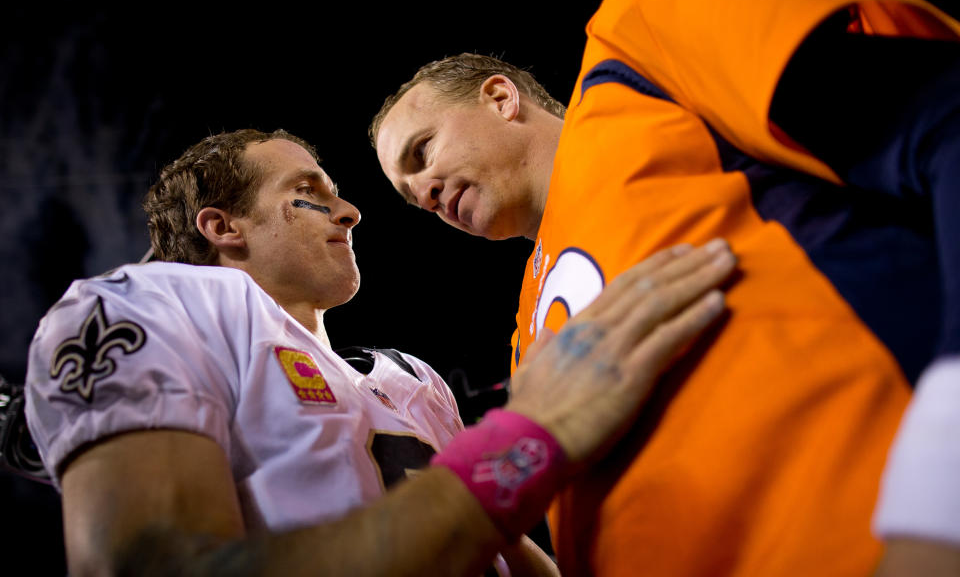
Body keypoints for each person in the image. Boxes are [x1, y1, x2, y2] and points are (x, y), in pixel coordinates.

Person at [371, 0, 960, 574]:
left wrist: (937, 492)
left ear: (500, 97)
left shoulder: (637, 44)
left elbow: (944, 119)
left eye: (422, 153)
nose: (425, 194)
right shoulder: (527, 331)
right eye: (410, 198)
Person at [24, 128, 737, 576]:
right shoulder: (145, 305)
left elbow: (504, 551)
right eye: (308, 193)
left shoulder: (411, 380)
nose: (349, 211)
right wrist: (529, 438)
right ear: (222, 225)